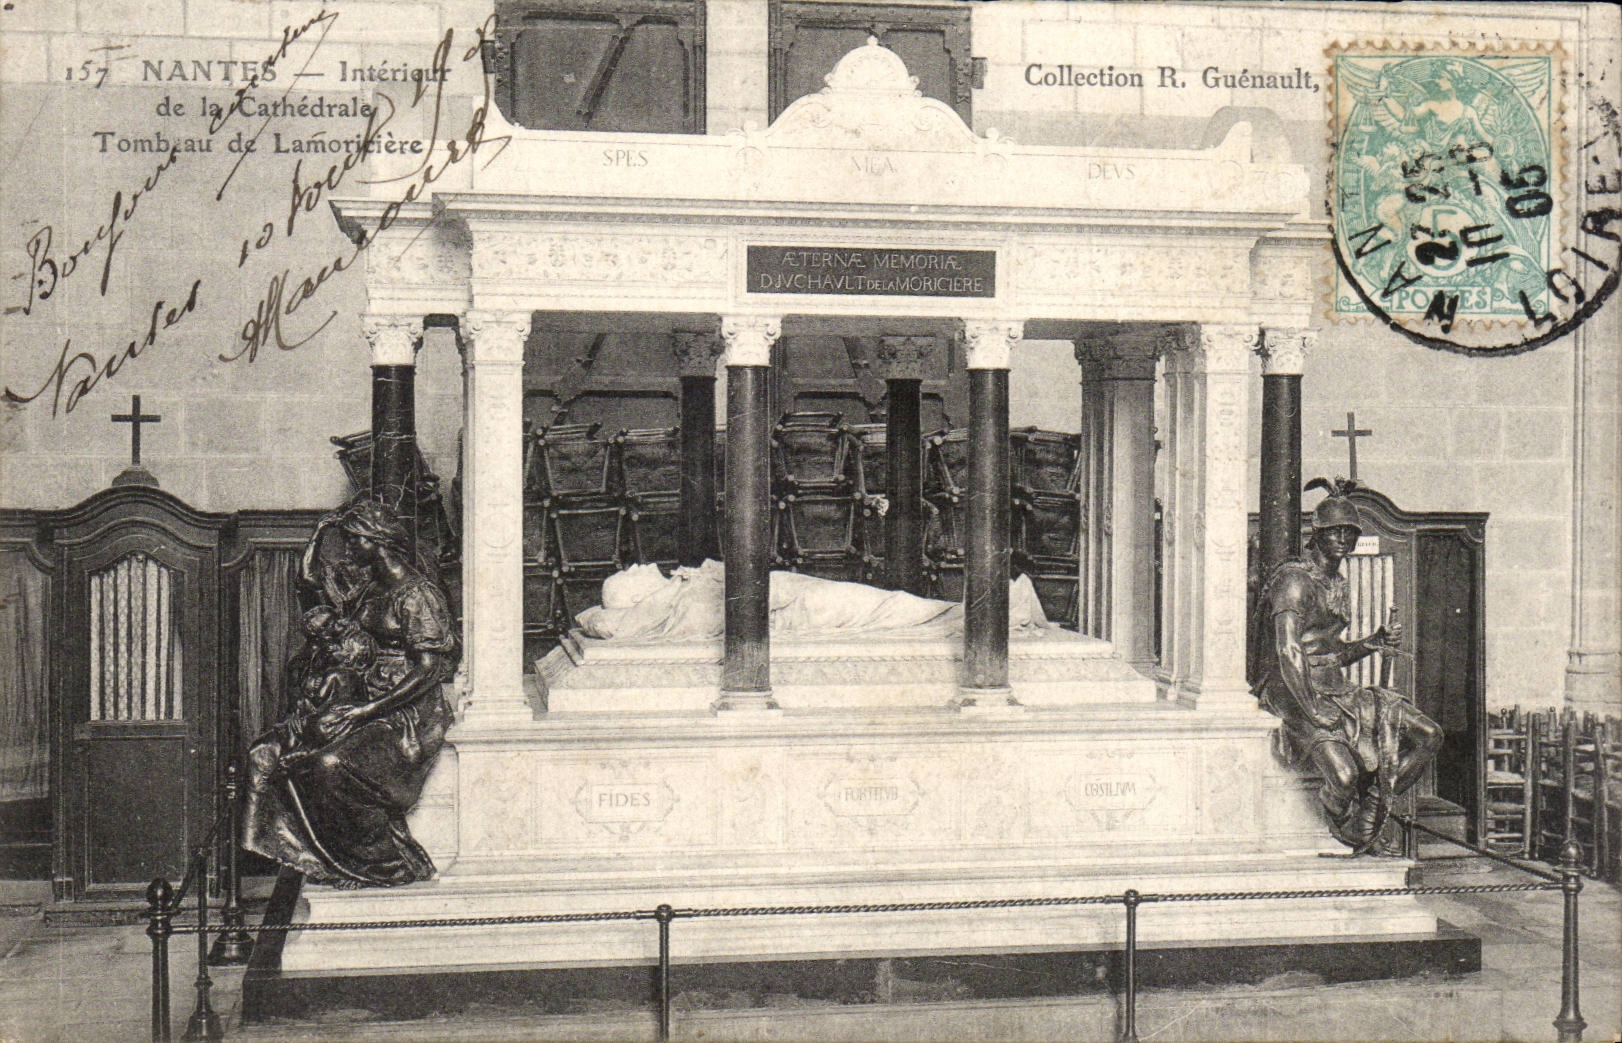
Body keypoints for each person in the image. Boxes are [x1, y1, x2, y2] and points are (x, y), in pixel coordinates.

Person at [244, 499, 459, 888]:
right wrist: (319, 533)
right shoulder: (369, 587)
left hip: (406, 712)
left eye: (351, 541)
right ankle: (316, 857)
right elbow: (308, 582)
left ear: (374, 541)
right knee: (265, 753)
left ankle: (384, 864)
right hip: (356, 697)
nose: (346, 551)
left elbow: (430, 669)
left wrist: (366, 711)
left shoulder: (416, 594)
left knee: (329, 765)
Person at [1250, 479, 1443, 854]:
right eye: (1334, 531)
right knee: (1343, 775)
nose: (1343, 539)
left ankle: (1370, 808)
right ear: (1316, 534)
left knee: (1429, 735)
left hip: (1337, 688)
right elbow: (1289, 652)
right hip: (1294, 691)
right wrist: (1311, 708)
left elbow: (1331, 652)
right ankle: (1344, 826)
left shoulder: (1336, 582)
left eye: (1349, 532)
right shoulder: (1293, 581)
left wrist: (1371, 642)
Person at [575, 559, 1050, 642]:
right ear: (637, 594)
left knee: (890, 603)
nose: (636, 566)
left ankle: (984, 614)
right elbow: (748, 608)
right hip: (807, 609)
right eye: (629, 574)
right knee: (890, 608)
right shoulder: (684, 605)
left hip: (799, 596)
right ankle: (991, 617)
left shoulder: (685, 590)